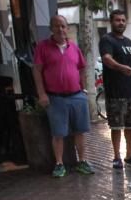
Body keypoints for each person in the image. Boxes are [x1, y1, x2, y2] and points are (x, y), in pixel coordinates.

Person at [33, 14, 93, 178]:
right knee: (58, 133)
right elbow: (37, 71)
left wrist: (84, 89)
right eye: (57, 26)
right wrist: (42, 94)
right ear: (51, 29)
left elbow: (81, 68)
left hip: (76, 96)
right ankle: (59, 164)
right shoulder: (43, 47)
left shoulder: (74, 48)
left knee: (80, 131)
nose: (60, 29)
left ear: (67, 28)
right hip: (55, 98)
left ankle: (82, 161)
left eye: (63, 26)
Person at [99, 9, 131, 170]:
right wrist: (120, 68)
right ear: (111, 22)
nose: (121, 23)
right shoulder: (107, 40)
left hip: (130, 91)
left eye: (123, 20)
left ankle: (130, 154)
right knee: (116, 126)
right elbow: (107, 59)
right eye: (117, 20)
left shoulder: (129, 42)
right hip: (115, 91)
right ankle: (117, 157)